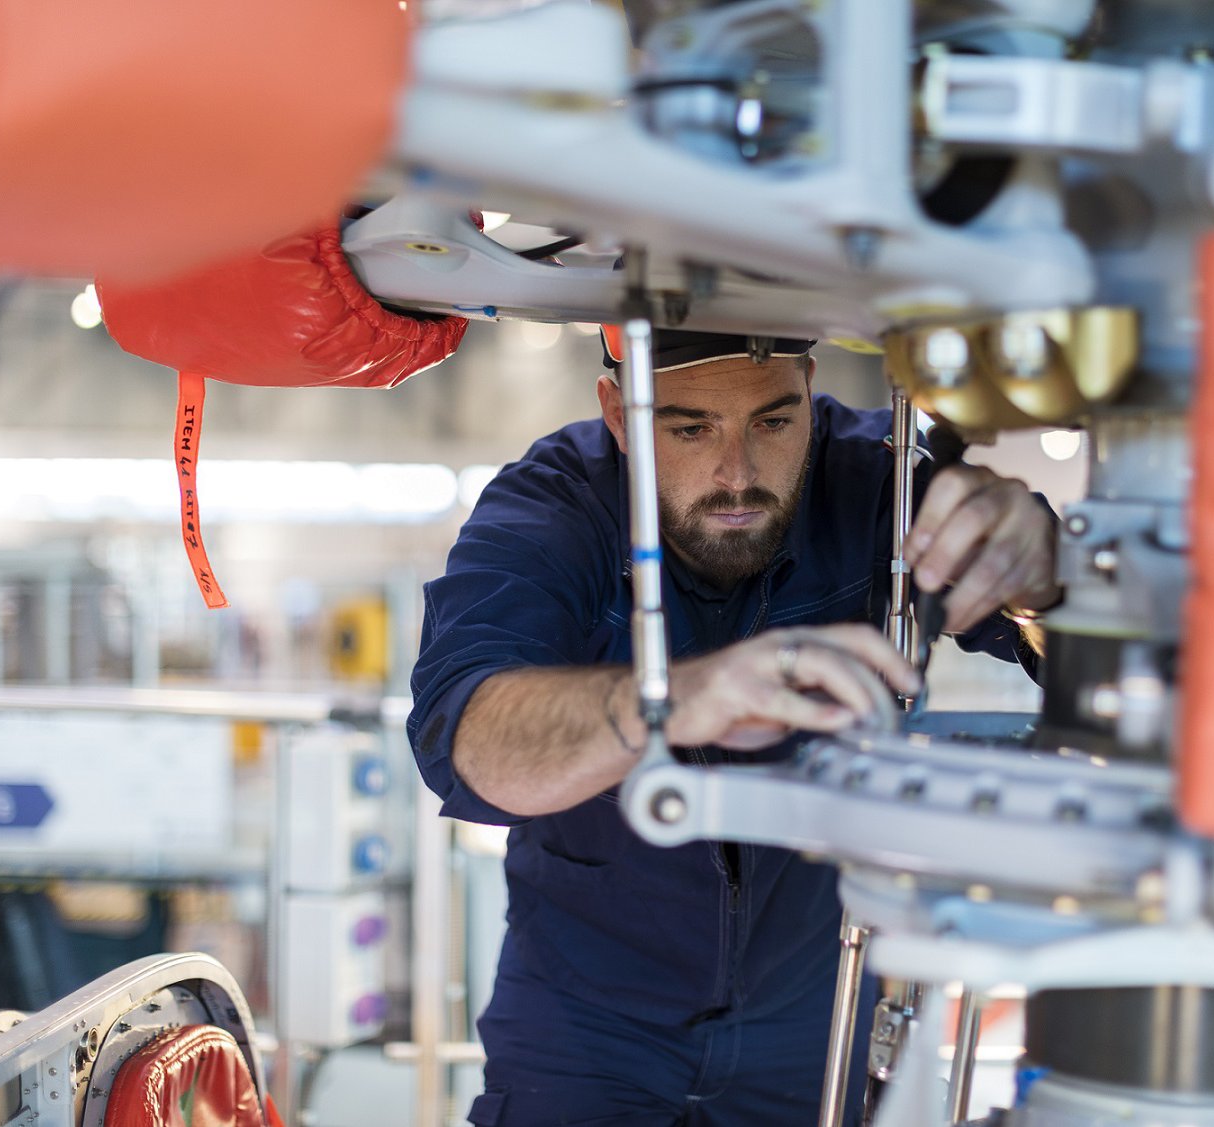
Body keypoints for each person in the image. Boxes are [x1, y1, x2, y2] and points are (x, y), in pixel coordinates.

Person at [407, 329, 1060, 1126]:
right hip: (584, 1022)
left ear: (810, 389)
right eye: (690, 429)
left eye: (775, 423)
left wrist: (1046, 591)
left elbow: (1092, 669)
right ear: (619, 411)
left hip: (815, 1016)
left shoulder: (880, 484)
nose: (738, 474)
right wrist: (673, 699)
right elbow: (467, 737)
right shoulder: (555, 506)